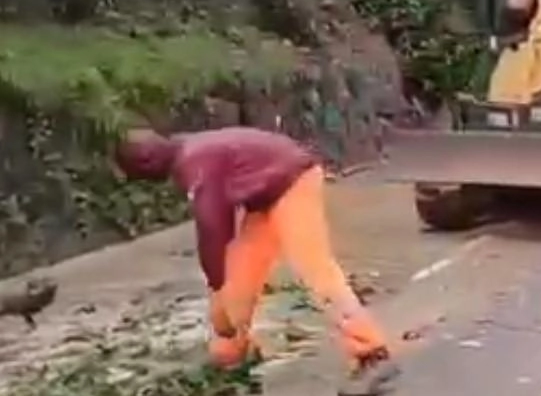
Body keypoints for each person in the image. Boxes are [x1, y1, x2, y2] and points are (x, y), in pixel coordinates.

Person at [114, 127, 398, 396]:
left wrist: (215, 281)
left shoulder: (194, 160)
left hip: (293, 181)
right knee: (240, 274)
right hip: (264, 196)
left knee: (314, 268)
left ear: (148, 163)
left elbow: (214, 226)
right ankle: (232, 353)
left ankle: (371, 351)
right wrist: (221, 288)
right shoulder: (188, 151)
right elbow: (219, 223)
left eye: (139, 175)